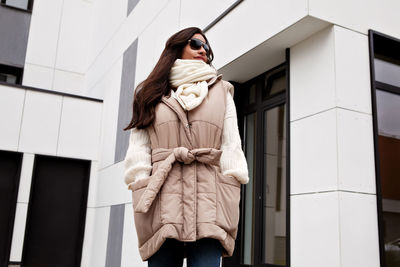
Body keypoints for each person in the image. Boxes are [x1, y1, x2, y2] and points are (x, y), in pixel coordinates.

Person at [123, 27, 249, 267]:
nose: (203, 50)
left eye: (206, 47)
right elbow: (139, 150)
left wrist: (230, 188)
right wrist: (141, 182)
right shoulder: (149, 93)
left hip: (209, 201)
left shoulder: (222, 92)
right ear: (177, 47)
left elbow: (232, 146)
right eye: (195, 43)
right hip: (162, 201)